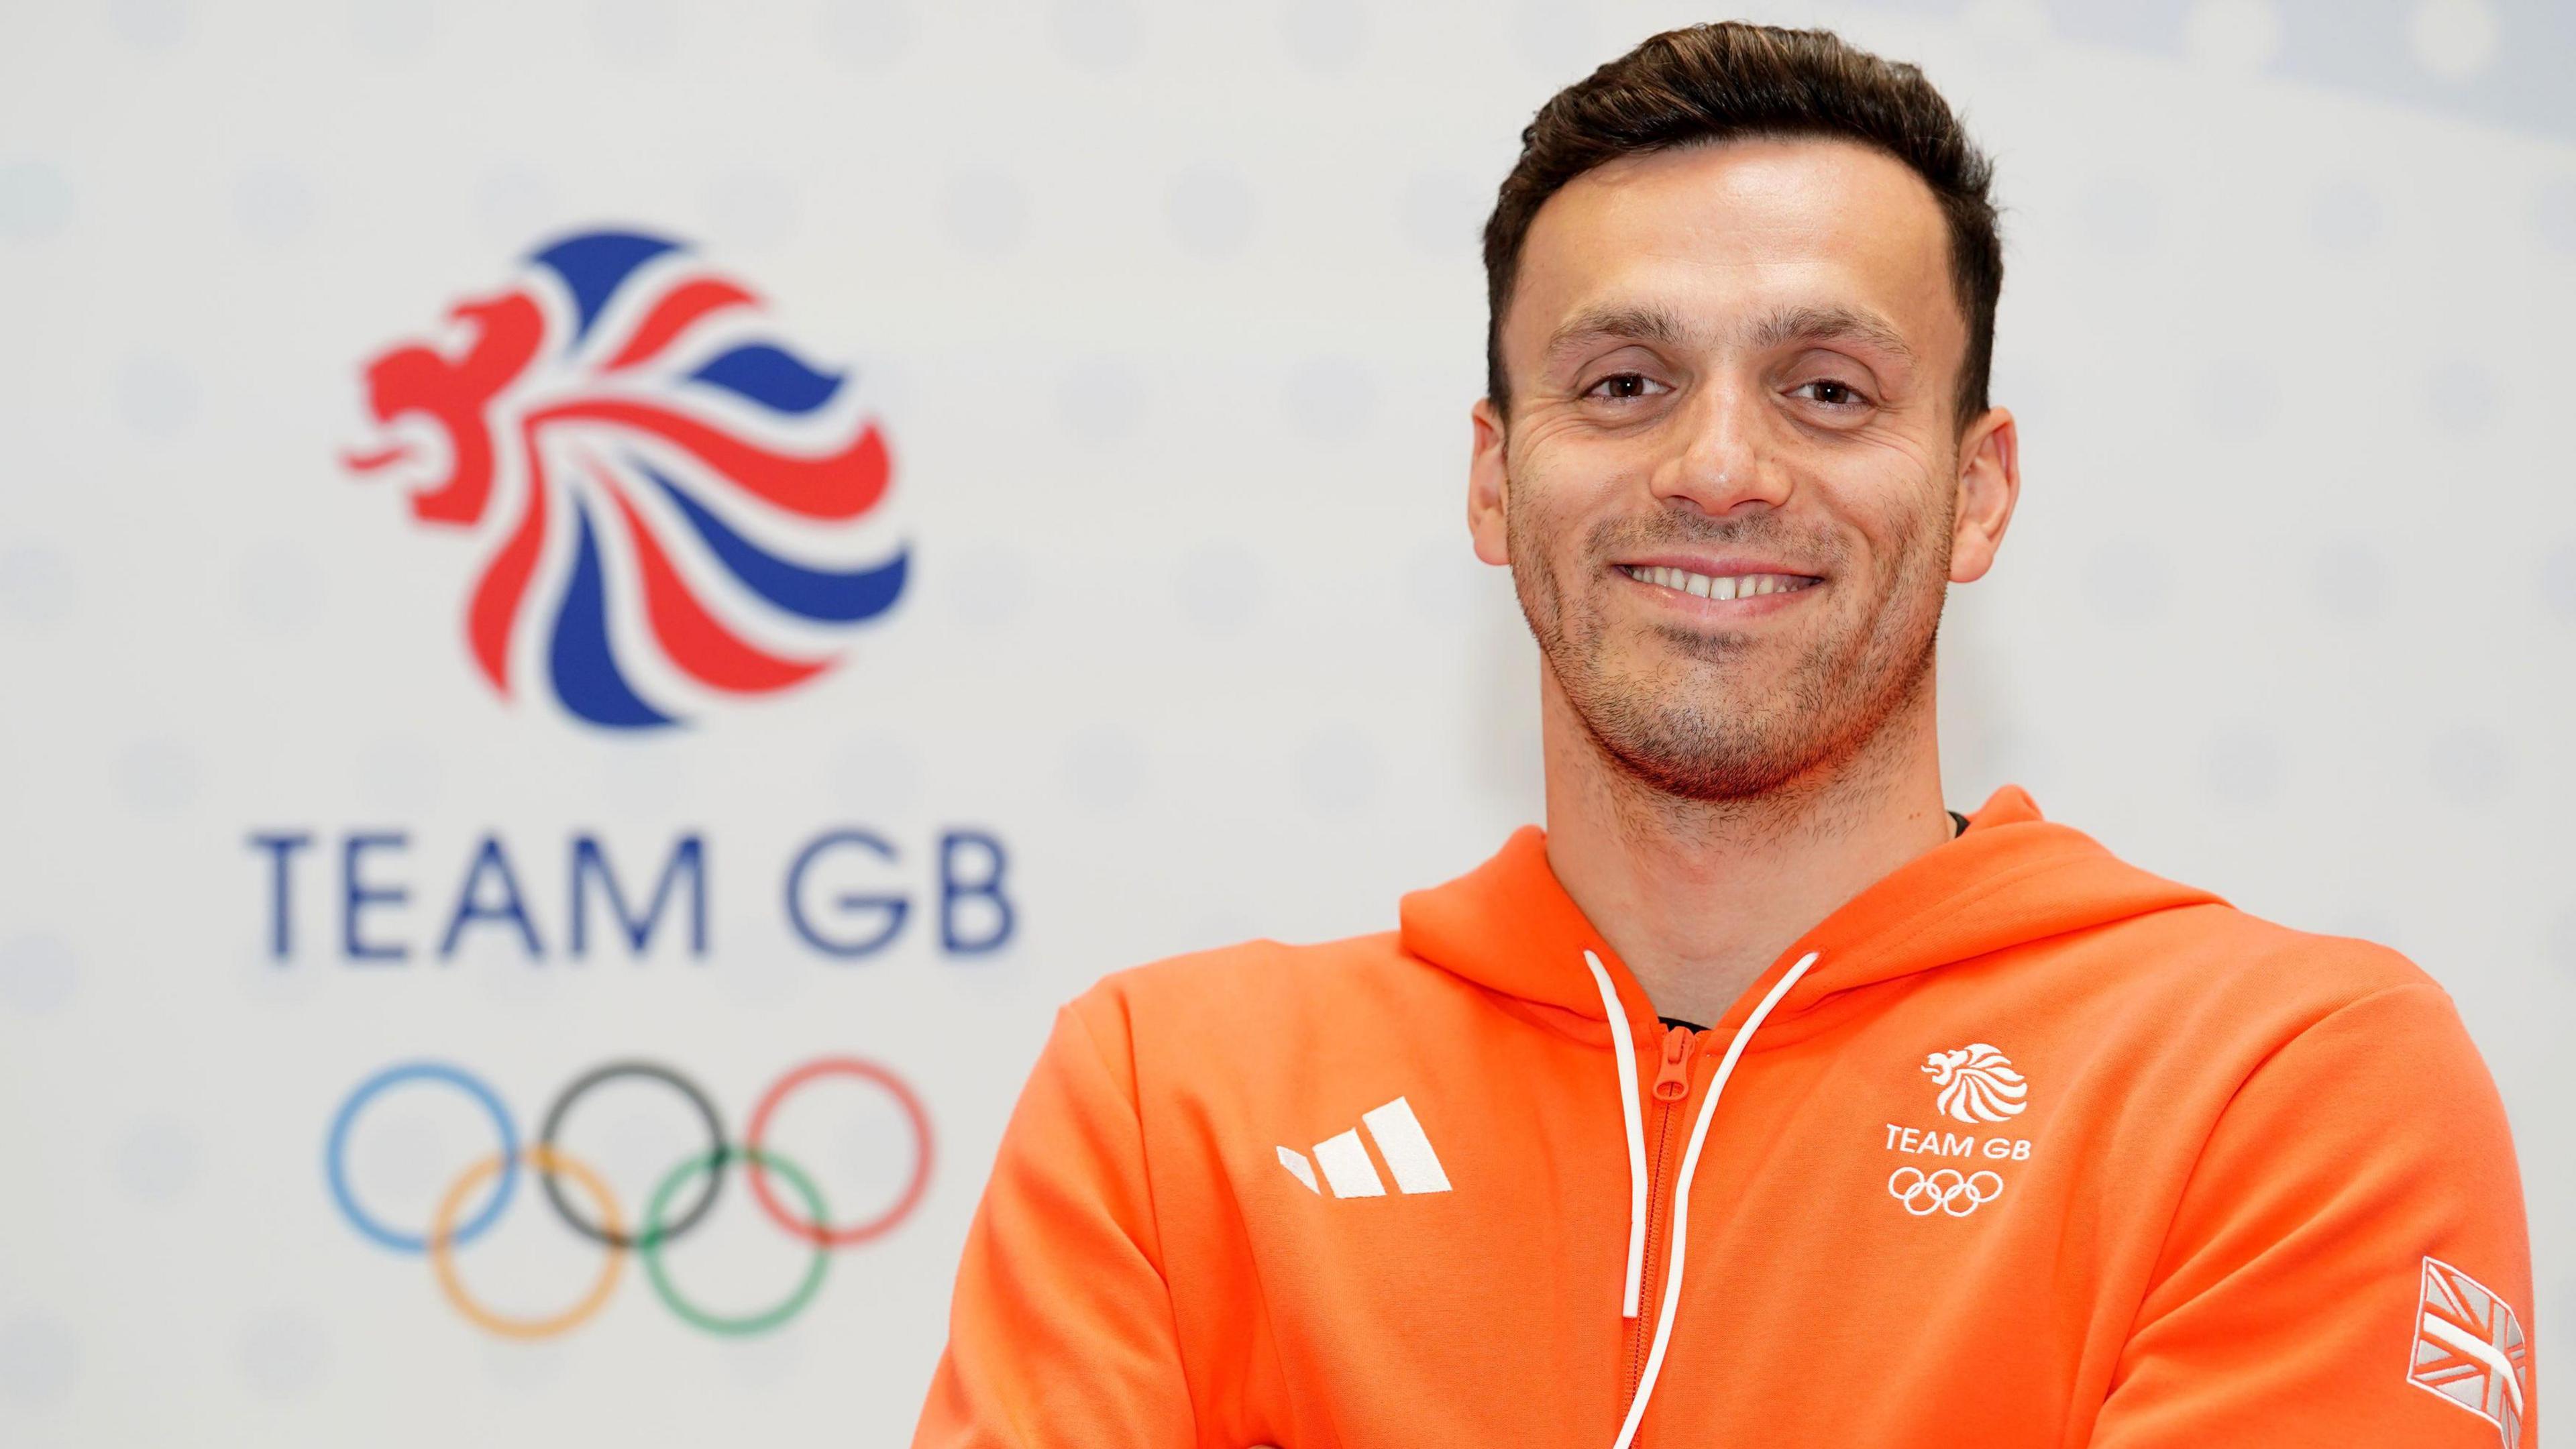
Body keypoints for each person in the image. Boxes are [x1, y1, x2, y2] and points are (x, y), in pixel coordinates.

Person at [911, 21, 2536, 1448]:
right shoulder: (1170, 1097)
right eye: (1623, 382)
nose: (1718, 468)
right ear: (1493, 476)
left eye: (1829, 389)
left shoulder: (2275, 1082)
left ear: (1979, 491)